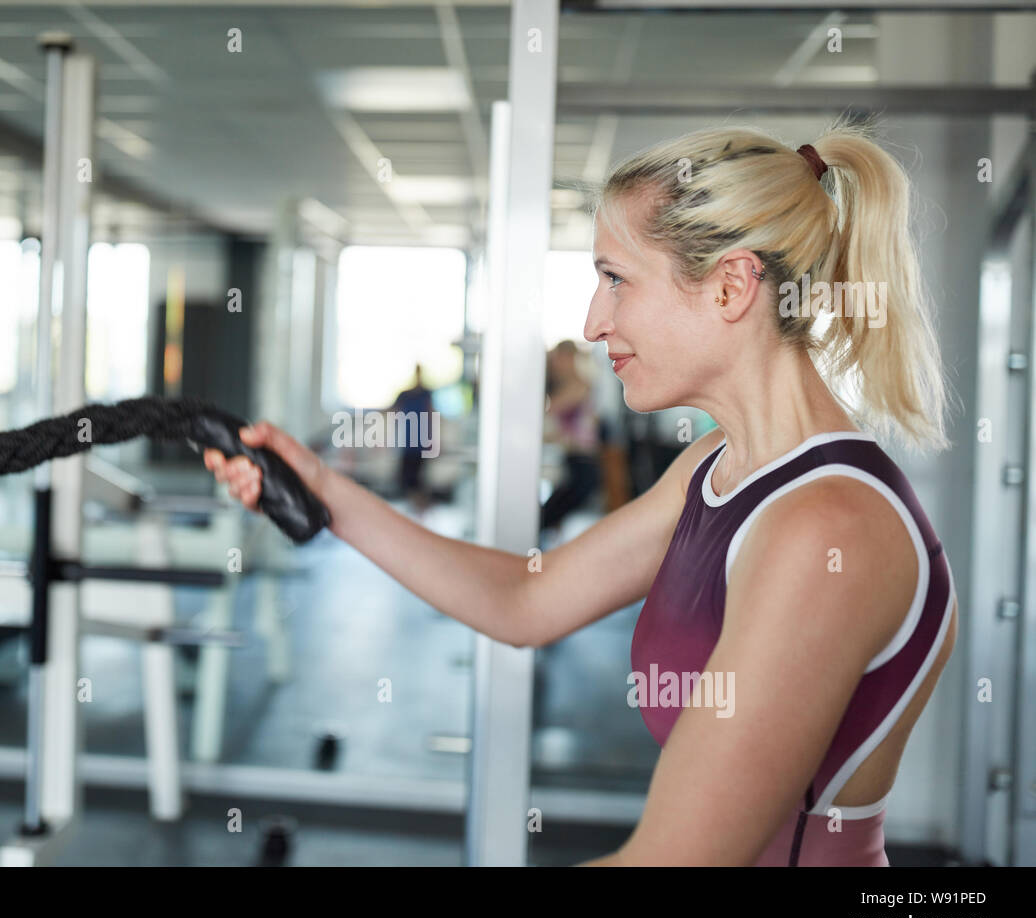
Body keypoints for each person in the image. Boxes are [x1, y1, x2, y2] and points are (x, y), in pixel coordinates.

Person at [202, 118, 960, 866]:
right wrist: (324, 489)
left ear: (731, 286)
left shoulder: (828, 527)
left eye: (615, 279)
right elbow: (526, 601)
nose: (594, 323)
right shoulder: (716, 468)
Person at [540, 341, 600, 540]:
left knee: (545, 516)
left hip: (583, 464)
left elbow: (549, 411)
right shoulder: (567, 386)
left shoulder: (580, 385)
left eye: (559, 358)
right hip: (571, 460)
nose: (556, 364)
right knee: (549, 516)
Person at [389, 364, 434, 513]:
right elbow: (392, 412)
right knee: (406, 480)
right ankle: (415, 510)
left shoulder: (426, 394)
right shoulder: (405, 395)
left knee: (417, 481)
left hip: (421, 444)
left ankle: (421, 511)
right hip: (407, 444)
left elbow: (430, 415)